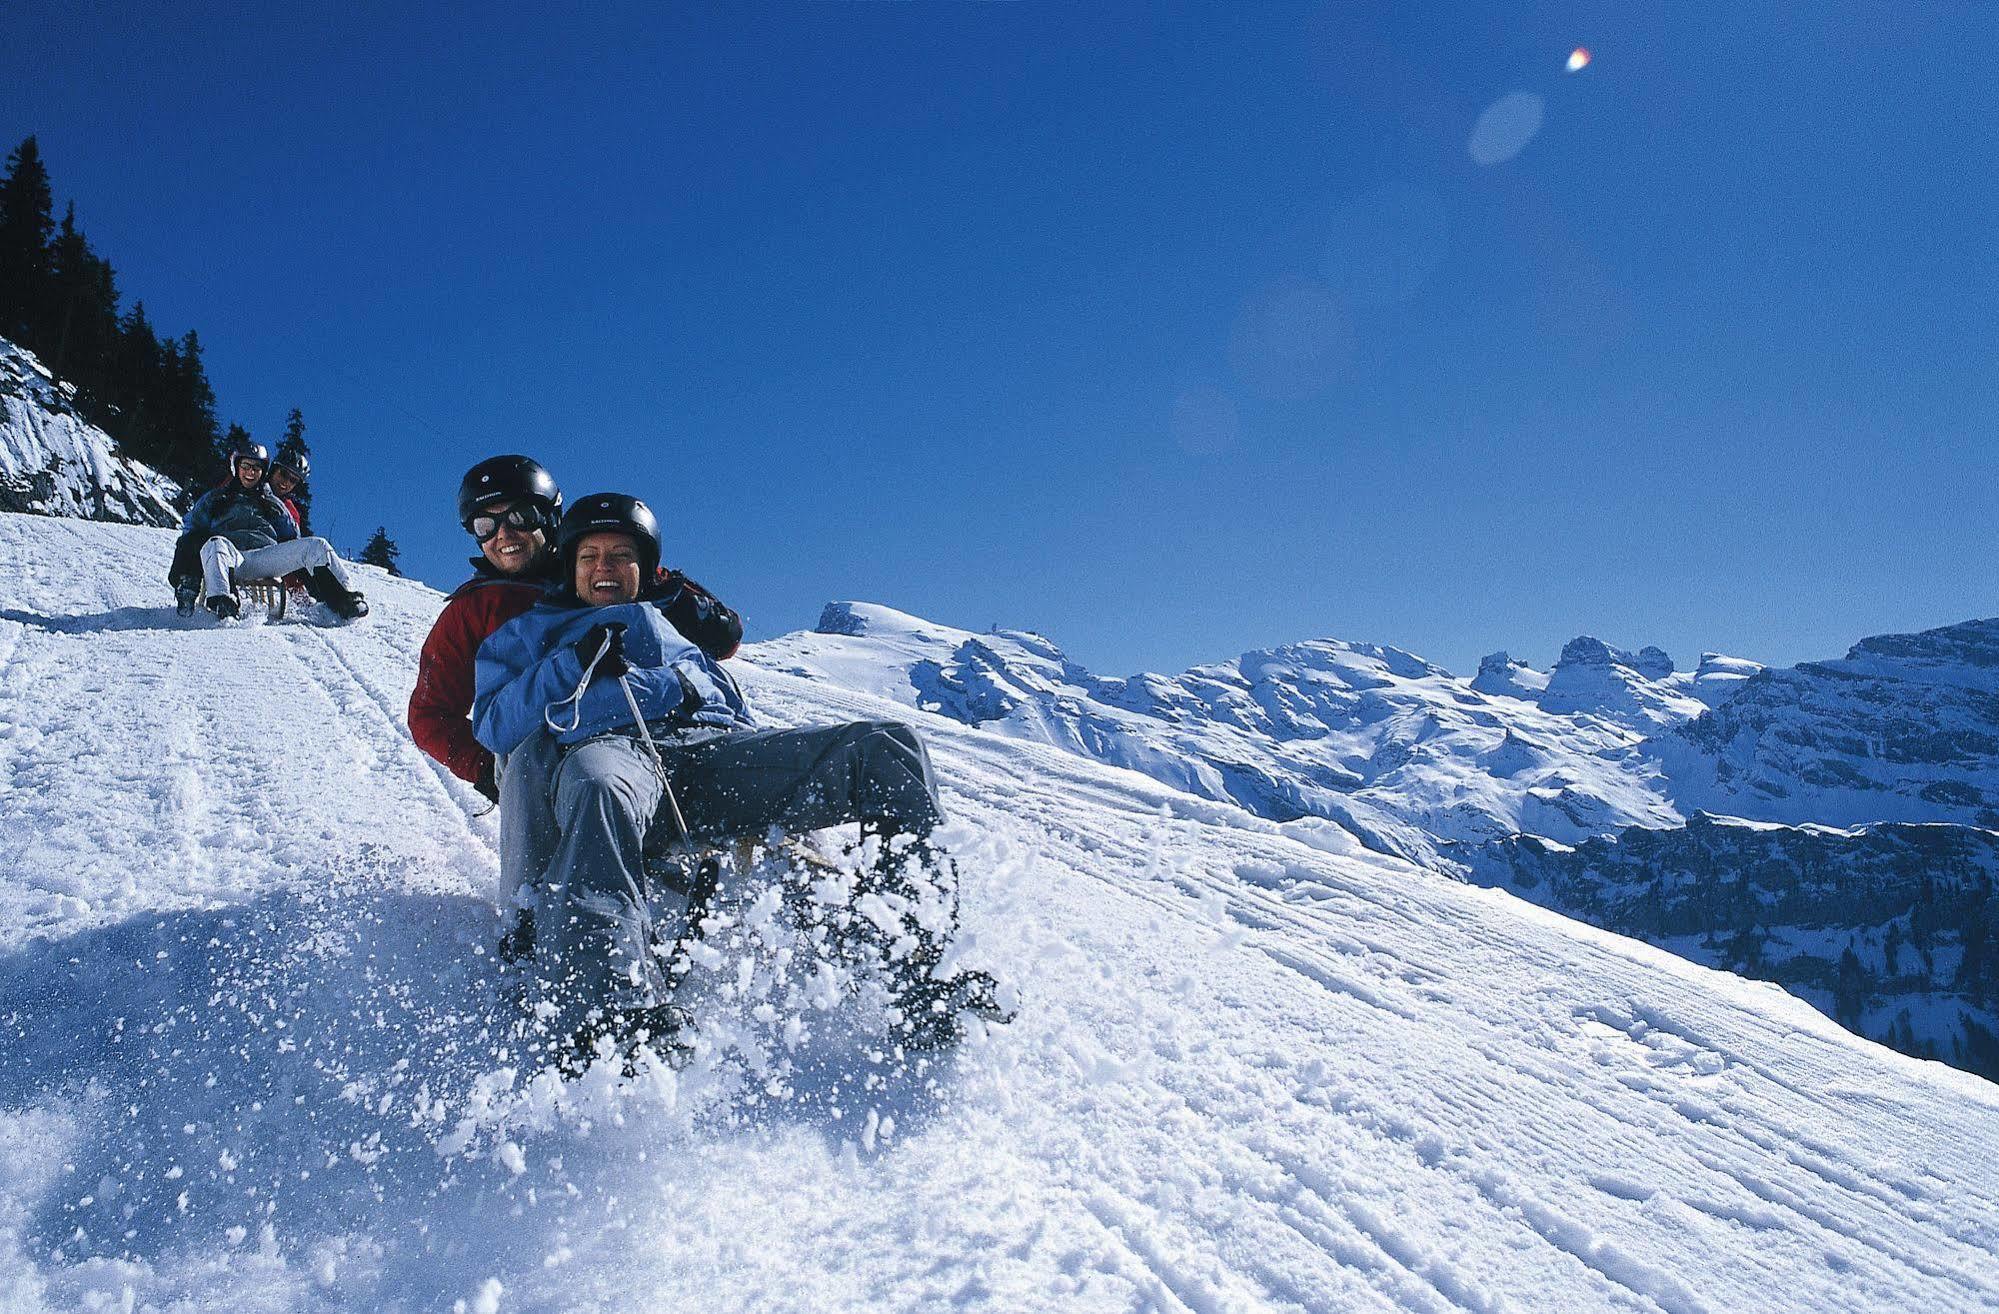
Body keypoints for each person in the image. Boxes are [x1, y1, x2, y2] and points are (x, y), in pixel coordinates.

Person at [473, 493, 1005, 1072]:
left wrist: (683, 688)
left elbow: (726, 700)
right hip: (612, 755)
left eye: (620, 556)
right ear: (570, 568)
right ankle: (609, 1016)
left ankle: (915, 971)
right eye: (590, 556)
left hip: (710, 755)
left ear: (642, 568)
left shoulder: (668, 627)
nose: (604, 567)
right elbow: (496, 724)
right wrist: (570, 663)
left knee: (888, 748)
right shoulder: (527, 634)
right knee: (600, 789)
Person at [168, 439, 369, 621]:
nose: (250, 472)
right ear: (236, 467)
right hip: (229, 557)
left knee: (317, 545)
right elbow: (192, 530)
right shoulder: (216, 498)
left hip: (264, 559)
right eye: (245, 466)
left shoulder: (273, 503)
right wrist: (190, 570)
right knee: (214, 543)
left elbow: (293, 541)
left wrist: (304, 584)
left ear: (263, 471)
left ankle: (345, 599)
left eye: (256, 468)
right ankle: (224, 602)